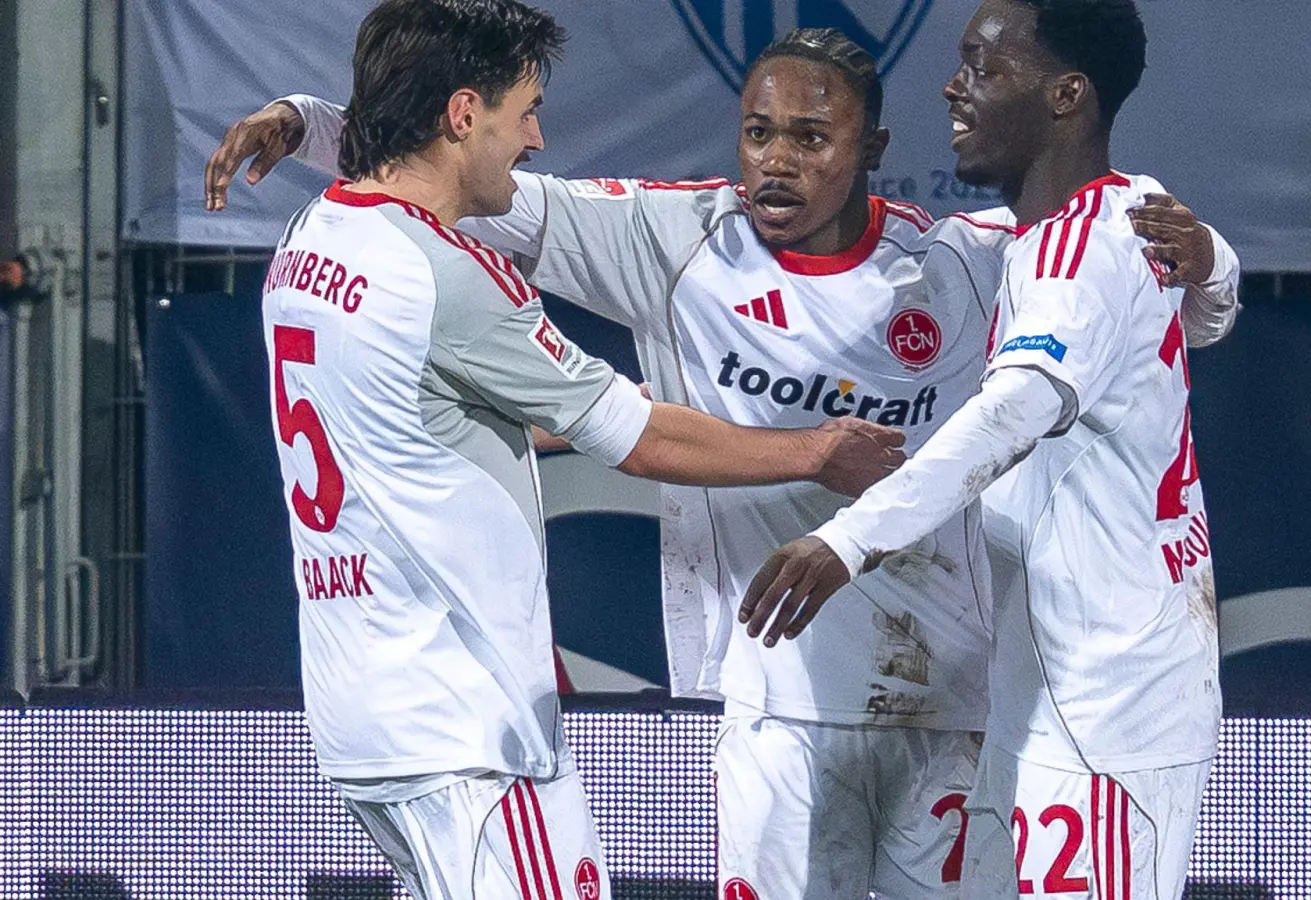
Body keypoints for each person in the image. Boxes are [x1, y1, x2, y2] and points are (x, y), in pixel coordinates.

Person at [209, 25, 1237, 900]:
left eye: (810, 138)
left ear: (871, 148)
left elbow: (1113, 273)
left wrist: (1212, 264)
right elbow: (465, 172)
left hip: (947, 707)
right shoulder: (674, 243)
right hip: (774, 708)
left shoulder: (961, 264)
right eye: (758, 133)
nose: (776, 162)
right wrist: (310, 122)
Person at [256, 3, 905, 898]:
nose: (537, 138)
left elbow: (422, 413)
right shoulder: (450, 275)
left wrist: (302, 117)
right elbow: (638, 441)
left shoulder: (312, 236)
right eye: (525, 110)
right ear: (463, 114)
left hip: (360, 719)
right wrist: (819, 449)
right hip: (471, 731)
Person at [742, 1, 1223, 898]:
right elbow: (1205, 310)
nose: (953, 87)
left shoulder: (1074, 257)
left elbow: (1012, 413)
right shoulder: (1127, 212)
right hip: (1045, 703)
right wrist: (1218, 270)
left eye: (984, 67)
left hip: (1103, 720)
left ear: (1066, 95)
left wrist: (848, 539)